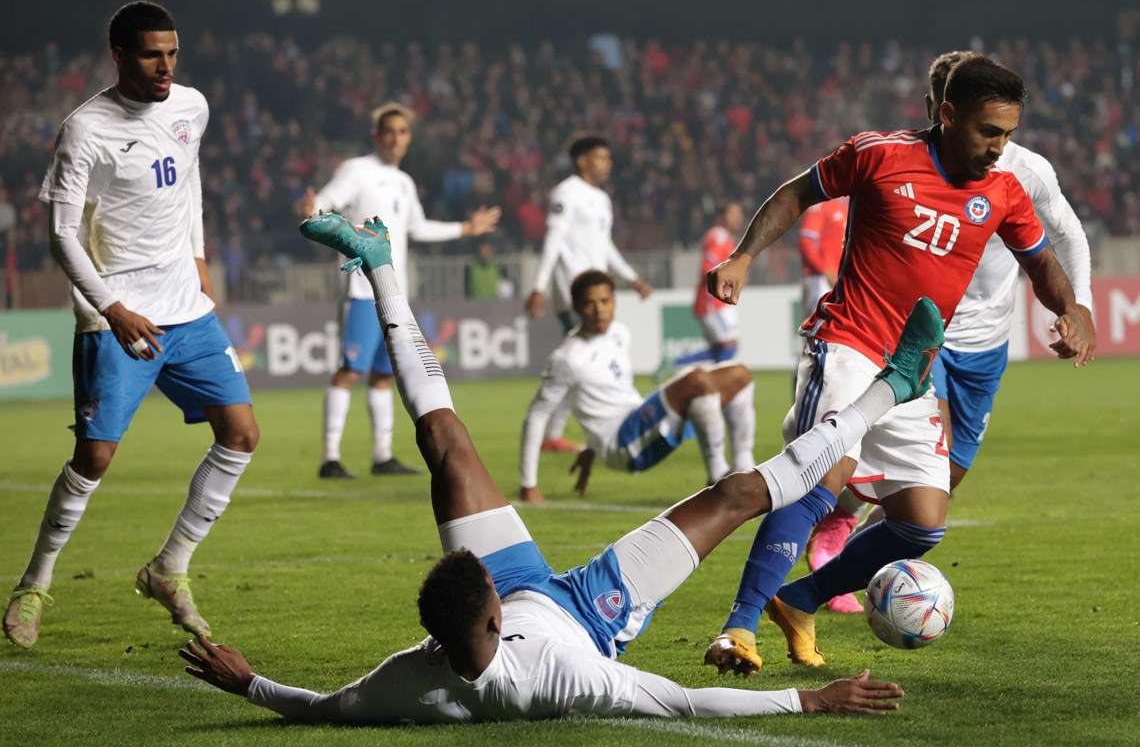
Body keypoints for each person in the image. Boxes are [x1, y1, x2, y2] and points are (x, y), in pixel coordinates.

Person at [179, 210, 943, 720]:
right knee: (739, 492)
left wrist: (248, 683)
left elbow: (324, 708)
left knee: (444, 442)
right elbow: (682, 701)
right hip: (593, 614)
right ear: (488, 617)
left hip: (523, 595)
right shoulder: (564, 677)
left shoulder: (410, 676)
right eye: (485, 588)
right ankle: (891, 389)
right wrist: (811, 703)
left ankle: (380, 268)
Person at [702, 56, 1094, 676]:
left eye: (1008, 134)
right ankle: (739, 627)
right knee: (817, 479)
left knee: (921, 521)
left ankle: (798, 599)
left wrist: (1073, 309)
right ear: (947, 115)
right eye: (989, 132)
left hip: (911, 373)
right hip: (849, 344)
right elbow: (797, 193)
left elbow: (1041, 260)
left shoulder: (1004, 191)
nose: (999, 148)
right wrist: (744, 257)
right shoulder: (879, 155)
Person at [3, 1, 259, 648]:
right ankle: (34, 583)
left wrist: (199, 260)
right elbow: (61, 233)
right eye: (152, 54)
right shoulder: (85, 129)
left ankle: (170, 568)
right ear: (119, 55)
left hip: (185, 307)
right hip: (115, 312)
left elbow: (189, 184)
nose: (166, 66)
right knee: (94, 455)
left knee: (242, 432)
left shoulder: (190, 108)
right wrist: (110, 309)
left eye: (172, 52)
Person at [805, 50, 1098, 615]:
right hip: (921, 333)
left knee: (950, 473)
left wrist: (1079, 307)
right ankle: (834, 536)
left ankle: (855, 529)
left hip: (989, 340)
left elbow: (1069, 237)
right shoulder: (913, 160)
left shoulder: (1025, 172)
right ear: (943, 111)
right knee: (919, 445)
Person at [300, 102, 501, 479]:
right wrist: (314, 208)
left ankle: (382, 455)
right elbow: (324, 207)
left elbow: (418, 229)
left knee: (383, 376)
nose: (396, 138)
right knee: (349, 370)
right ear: (376, 136)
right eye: (389, 131)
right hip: (361, 288)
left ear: (409, 138)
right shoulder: (357, 170)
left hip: (394, 294)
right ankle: (330, 457)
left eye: (403, 132)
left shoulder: (404, 183)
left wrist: (466, 229)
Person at [519, 269, 754, 504]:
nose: (599, 310)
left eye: (605, 301)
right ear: (576, 308)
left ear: (614, 302)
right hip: (620, 444)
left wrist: (589, 449)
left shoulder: (619, 333)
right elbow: (537, 414)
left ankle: (744, 469)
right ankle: (718, 478)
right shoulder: (567, 358)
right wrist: (528, 485)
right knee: (696, 380)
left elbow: (602, 399)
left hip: (638, 421)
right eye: (589, 304)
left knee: (739, 374)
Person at [524, 136, 653, 454]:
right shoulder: (566, 194)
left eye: (608, 158)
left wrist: (630, 277)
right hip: (574, 295)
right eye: (600, 158)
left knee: (583, 365)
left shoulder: (600, 199)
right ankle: (553, 434)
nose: (607, 164)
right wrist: (539, 286)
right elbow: (553, 240)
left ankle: (555, 434)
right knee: (578, 363)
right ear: (582, 161)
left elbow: (604, 245)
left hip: (599, 291)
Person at [677, 201, 746, 366]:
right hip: (713, 302)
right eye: (734, 214)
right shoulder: (719, 236)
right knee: (729, 346)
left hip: (716, 301)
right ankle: (677, 365)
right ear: (721, 217)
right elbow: (708, 268)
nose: (739, 218)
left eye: (740, 214)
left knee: (720, 349)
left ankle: (677, 364)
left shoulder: (723, 237)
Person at [798, 197, 848, 316]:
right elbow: (806, 242)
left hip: (843, 281)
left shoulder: (853, 203)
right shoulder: (821, 205)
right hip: (820, 279)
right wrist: (825, 270)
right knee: (820, 328)